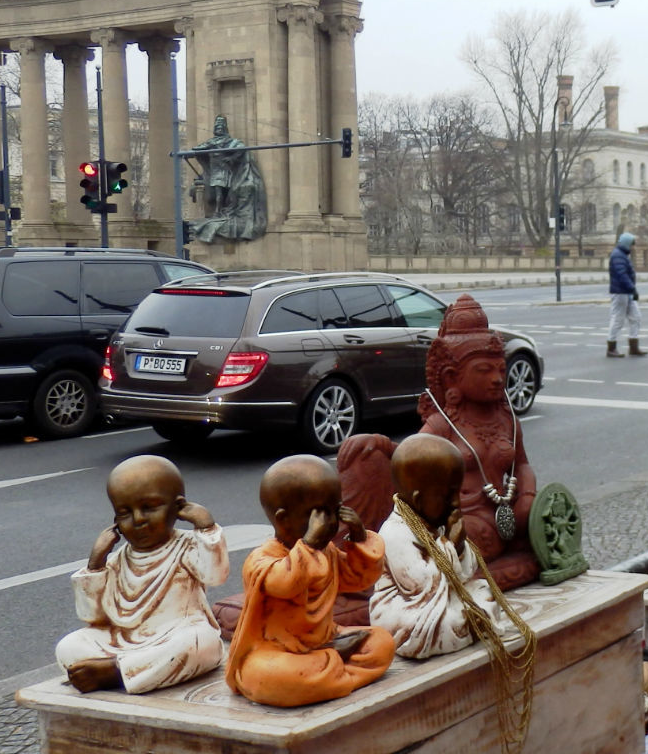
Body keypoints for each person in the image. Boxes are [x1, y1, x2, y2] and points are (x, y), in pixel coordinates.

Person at [226, 455, 394, 707]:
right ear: (283, 518)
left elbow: (359, 578)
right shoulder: (262, 559)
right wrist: (309, 545)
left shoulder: (325, 552)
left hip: (326, 639)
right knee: (267, 677)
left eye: (334, 510)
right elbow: (286, 582)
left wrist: (359, 538)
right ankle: (334, 668)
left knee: (382, 643)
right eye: (318, 514)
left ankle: (329, 669)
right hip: (276, 651)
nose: (329, 522)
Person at [55, 456, 229, 694]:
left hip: (178, 634)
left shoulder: (187, 546)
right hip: (124, 639)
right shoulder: (117, 560)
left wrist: (206, 528)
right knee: (69, 647)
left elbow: (215, 575)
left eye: (149, 508)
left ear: (179, 508)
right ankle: (131, 669)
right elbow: (92, 617)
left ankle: (117, 672)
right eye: (125, 513)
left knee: (201, 644)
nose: (138, 520)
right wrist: (96, 564)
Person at [418, 294, 539, 590]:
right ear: (451, 378)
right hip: (467, 518)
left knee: (542, 531)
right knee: (470, 541)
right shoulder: (442, 426)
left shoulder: (507, 420)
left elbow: (521, 464)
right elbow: (412, 475)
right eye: (484, 370)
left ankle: (488, 573)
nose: (498, 379)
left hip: (507, 512)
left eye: (500, 368)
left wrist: (528, 496)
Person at [369, 434, 502, 658]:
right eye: (448, 496)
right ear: (419, 500)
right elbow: (419, 586)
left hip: (438, 598)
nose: (456, 504)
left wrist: (459, 546)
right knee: (447, 622)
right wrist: (450, 544)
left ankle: (467, 622)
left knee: (485, 592)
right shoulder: (395, 532)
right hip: (403, 607)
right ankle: (464, 624)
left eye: (457, 493)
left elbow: (465, 575)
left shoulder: (433, 522)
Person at [607, 231, 646, 358]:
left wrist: (631, 290)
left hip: (626, 293)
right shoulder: (618, 255)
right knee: (618, 319)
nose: (633, 247)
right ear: (627, 243)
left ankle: (634, 347)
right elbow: (621, 274)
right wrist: (632, 289)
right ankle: (611, 348)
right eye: (632, 244)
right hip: (620, 293)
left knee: (636, 317)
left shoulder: (622, 255)